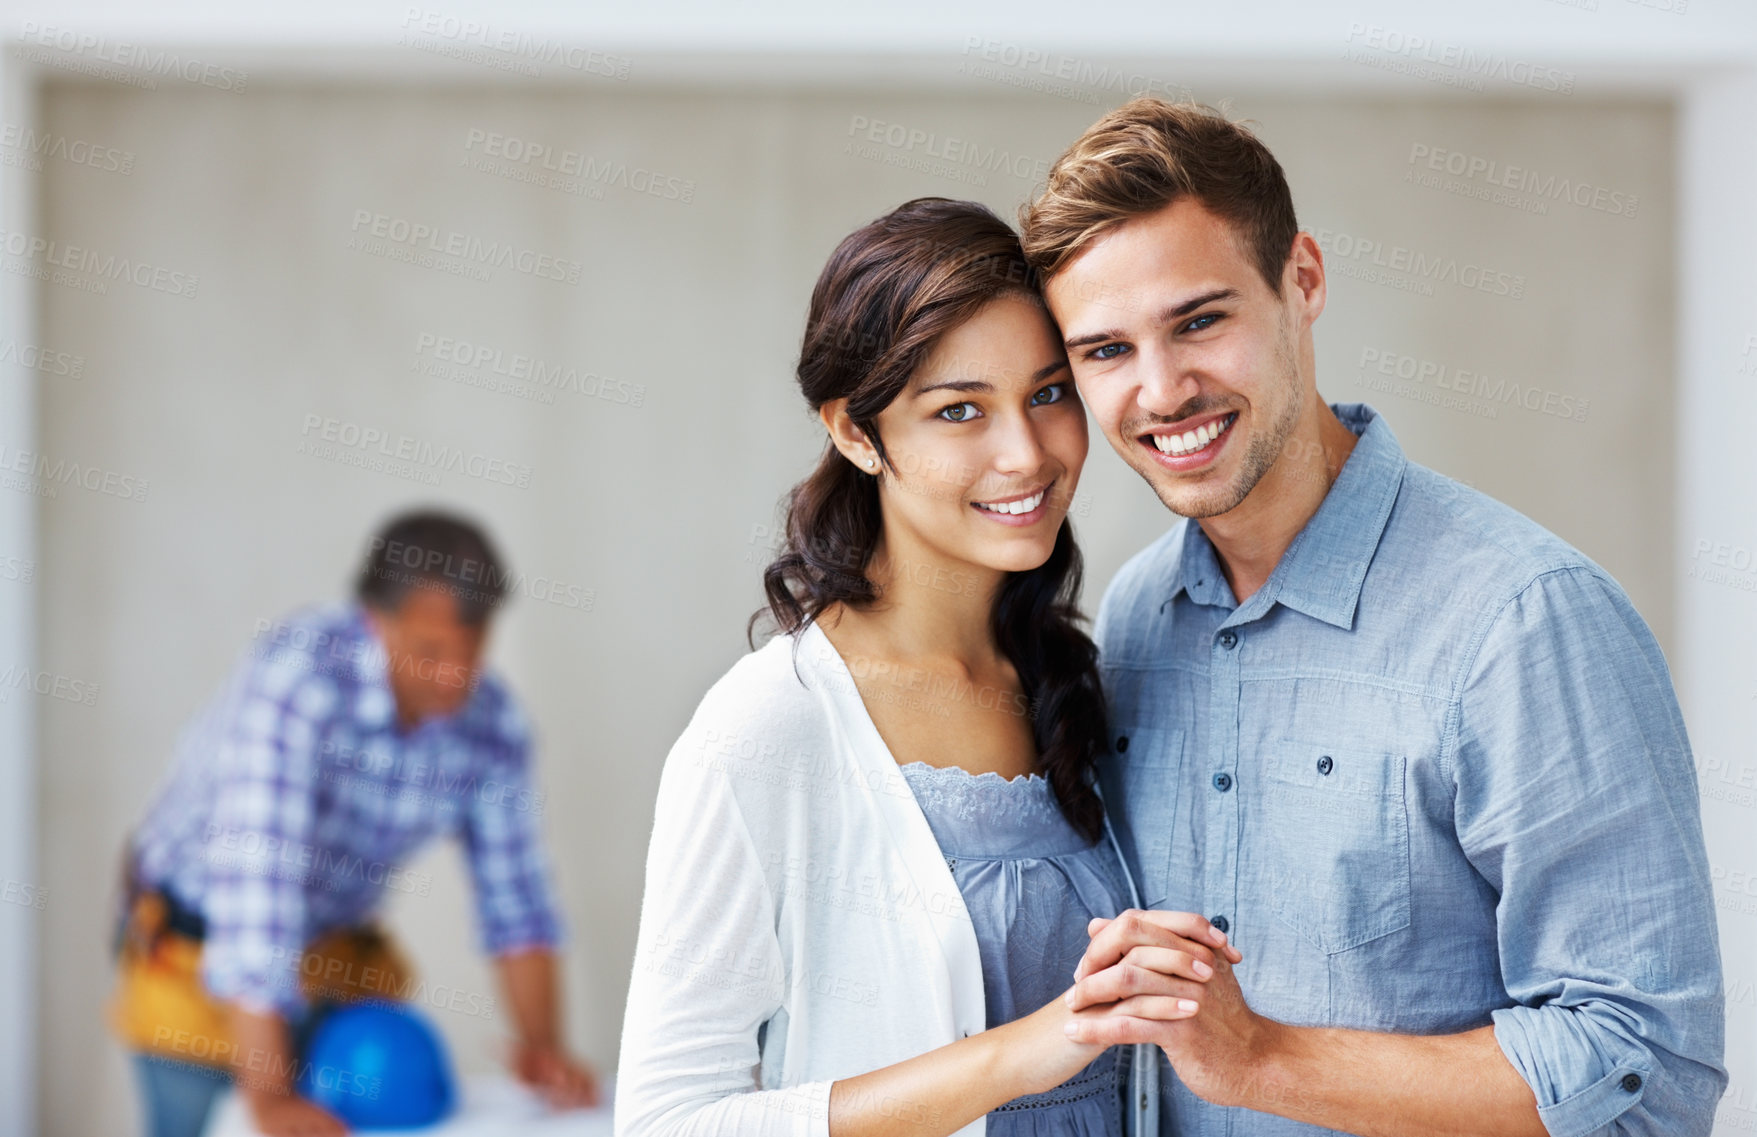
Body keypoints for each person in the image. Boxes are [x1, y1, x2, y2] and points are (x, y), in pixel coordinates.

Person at [1015, 97, 1727, 1136]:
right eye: (1105, 351)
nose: (1161, 391)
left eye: (1199, 320)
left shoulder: (1523, 623)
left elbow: (1643, 1064)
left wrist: (1261, 1058)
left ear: (1300, 279)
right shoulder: (1132, 617)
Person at [614, 198, 1240, 1137]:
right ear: (856, 433)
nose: (1025, 453)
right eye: (958, 410)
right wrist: (1022, 1051)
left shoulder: (1078, 677)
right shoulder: (768, 728)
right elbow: (667, 1120)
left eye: (1046, 393)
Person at [109, 509, 600, 1137]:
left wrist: (545, 1050)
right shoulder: (299, 684)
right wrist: (269, 1099)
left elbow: (518, 906)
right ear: (376, 621)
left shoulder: (493, 726)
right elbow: (258, 888)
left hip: (332, 958)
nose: (455, 677)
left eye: (472, 651)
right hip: (196, 949)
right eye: (430, 651)